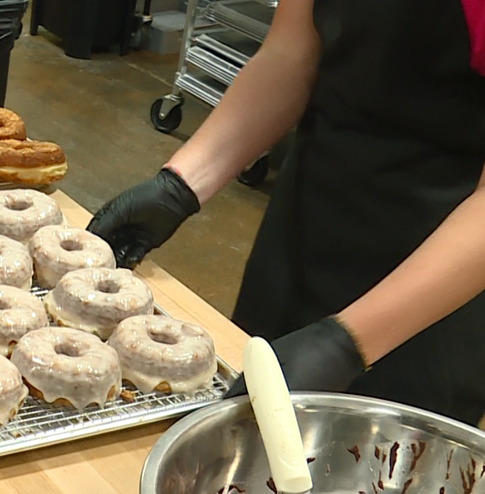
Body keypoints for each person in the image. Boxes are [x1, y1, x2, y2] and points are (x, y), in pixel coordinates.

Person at [87, 0, 485, 425]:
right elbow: (292, 53)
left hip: (430, 295)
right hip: (301, 237)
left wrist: (345, 344)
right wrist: (180, 186)